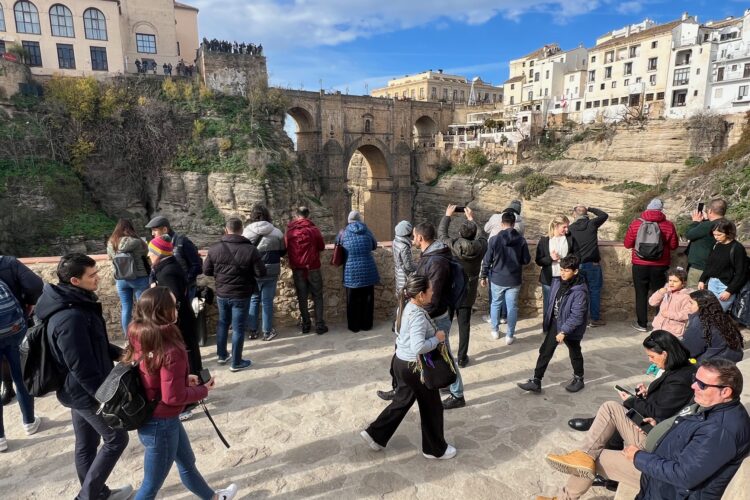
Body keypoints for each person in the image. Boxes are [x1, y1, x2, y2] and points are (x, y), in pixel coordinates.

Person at [538, 330, 696, 500]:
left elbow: (658, 412)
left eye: (652, 356)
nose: (650, 360)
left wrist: (632, 400)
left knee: (609, 415)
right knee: (608, 415)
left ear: (664, 353)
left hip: (653, 439)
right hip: (656, 432)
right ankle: (582, 458)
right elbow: (664, 405)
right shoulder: (680, 370)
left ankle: (579, 465)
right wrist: (645, 395)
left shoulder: (680, 379)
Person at [124, 287, 238, 500]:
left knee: (187, 463)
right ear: (162, 311)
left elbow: (151, 373)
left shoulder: (140, 334)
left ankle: (213, 498)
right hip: (161, 424)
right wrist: (203, 390)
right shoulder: (169, 347)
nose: (177, 309)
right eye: (174, 305)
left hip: (158, 416)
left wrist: (183, 379)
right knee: (149, 487)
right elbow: (172, 397)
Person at [36, 253, 131, 500]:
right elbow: (81, 366)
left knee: (87, 444)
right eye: (92, 275)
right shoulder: (70, 317)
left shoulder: (79, 303)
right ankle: (87, 497)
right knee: (116, 438)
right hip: (84, 393)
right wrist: (103, 398)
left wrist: (118, 353)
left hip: (78, 391)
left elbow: (93, 344)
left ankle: (97, 494)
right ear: (75, 281)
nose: (98, 278)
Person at [359, 275, 456, 460]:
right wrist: (437, 339)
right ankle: (434, 449)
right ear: (420, 295)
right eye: (430, 289)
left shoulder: (406, 306)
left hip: (401, 363)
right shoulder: (417, 315)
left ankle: (375, 434)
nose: (433, 291)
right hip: (414, 367)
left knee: (402, 401)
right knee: (432, 407)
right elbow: (418, 347)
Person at [628, 359, 750, 499]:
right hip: (660, 485)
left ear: (725, 392)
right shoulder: (712, 409)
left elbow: (684, 476)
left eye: (702, 384)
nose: (693, 386)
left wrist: (638, 457)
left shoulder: (720, 430)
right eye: (694, 379)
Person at [413, 222, 465, 410]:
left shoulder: (436, 261)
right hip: (433, 313)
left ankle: (457, 394)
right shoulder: (431, 255)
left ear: (420, 237)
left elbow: (433, 295)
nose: (413, 239)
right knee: (438, 352)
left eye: (414, 236)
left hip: (435, 315)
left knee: (444, 353)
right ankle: (447, 382)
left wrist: (420, 313)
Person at [518, 255, 588, 394]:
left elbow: (577, 315)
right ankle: (536, 381)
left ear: (575, 271)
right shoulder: (557, 281)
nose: (562, 273)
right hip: (557, 322)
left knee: (574, 352)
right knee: (545, 351)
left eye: (566, 270)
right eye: (561, 269)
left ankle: (579, 378)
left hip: (570, 327)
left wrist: (564, 331)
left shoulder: (580, 291)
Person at [204, 218, 266, 372]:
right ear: (241, 230)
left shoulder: (214, 249)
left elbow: (206, 271)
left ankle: (222, 355)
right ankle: (236, 362)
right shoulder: (250, 250)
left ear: (226, 230)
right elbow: (261, 273)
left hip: (222, 293)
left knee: (223, 323)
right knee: (238, 328)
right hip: (241, 294)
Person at [0, 254, 44, 452]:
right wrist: (28, 304)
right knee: (21, 374)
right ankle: (29, 421)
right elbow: (36, 285)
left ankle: (0, 438)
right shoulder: (7, 263)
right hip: (14, 327)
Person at [439, 205, 487, 367]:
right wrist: (471, 218)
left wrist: (447, 216)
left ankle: (444, 355)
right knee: (464, 326)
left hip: (452, 290)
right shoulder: (481, 247)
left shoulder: (453, 245)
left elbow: (441, 235)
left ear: (459, 234)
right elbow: (483, 236)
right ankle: (462, 358)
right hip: (468, 293)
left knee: (444, 325)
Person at [148, 236, 202, 377]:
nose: (148, 255)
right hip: (183, 316)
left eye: (151, 252)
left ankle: (194, 383)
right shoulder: (167, 267)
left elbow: (174, 298)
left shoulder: (167, 272)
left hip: (179, 319)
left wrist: (157, 292)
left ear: (159, 254)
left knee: (186, 351)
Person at [623, 198, 679, 332]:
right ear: (661, 210)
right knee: (661, 293)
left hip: (639, 264)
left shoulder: (636, 223)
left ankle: (642, 324)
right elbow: (673, 246)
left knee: (641, 294)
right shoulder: (668, 225)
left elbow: (627, 244)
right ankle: (659, 323)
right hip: (660, 265)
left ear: (647, 209)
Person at [376, 220, 416, 402]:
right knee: (405, 314)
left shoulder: (396, 242)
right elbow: (408, 266)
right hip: (405, 284)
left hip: (399, 282)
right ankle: (400, 331)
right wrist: (419, 270)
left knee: (401, 311)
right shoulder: (404, 247)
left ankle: (398, 328)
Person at [480, 212, 530, 345]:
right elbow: (526, 260)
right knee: (512, 307)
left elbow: (487, 260)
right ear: (514, 224)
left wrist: (483, 275)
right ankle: (509, 335)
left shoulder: (494, 239)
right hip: (514, 279)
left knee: (495, 304)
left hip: (497, 278)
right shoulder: (521, 240)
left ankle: (495, 330)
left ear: (502, 224)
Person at [242, 205, 286, 341]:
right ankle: (267, 332)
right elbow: (283, 251)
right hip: (272, 270)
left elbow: (243, 252)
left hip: (254, 272)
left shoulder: (246, 232)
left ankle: (253, 331)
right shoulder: (277, 232)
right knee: (267, 302)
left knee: (254, 300)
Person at [285, 207, 327, 334]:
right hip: (313, 267)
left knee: (302, 297)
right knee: (318, 296)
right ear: (308, 215)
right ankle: (319, 325)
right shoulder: (314, 230)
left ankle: (306, 325)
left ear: (296, 216)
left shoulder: (290, 232)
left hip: (298, 269)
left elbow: (286, 247)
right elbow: (322, 246)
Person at [483, 200, 525, 325]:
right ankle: (504, 317)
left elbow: (486, 229)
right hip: (513, 267)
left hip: (496, 262)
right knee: (510, 299)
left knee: (494, 294)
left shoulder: (496, 218)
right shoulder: (521, 223)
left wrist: (483, 274)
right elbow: (519, 240)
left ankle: (493, 318)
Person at [107, 218, 150, 336]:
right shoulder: (137, 241)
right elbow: (145, 253)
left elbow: (110, 258)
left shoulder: (111, 242)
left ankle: (129, 337)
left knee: (126, 308)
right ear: (130, 228)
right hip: (139, 277)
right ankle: (144, 336)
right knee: (142, 308)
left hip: (121, 279)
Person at [145, 216, 202, 302]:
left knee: (183, 313)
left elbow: (196, 265)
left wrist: (185, 281)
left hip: (185, 288)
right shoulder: (156, 245)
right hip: (164, 289)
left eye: (155, 230)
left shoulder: (183, 242)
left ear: (164, 229)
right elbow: (154, 265)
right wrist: (152, 280)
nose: (152, 233)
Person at [568, 205, 608, 327]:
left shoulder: (570, 229)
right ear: (587, 215)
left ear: (574, 214)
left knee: (577, 292)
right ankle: (594, 320)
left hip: (577, 266)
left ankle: (577, 319)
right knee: (594, 292)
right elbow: (604, 215)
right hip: (593, 265)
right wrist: (590, 208)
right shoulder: (592, 224)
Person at [339, 211, 379, 332]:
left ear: (349, 220)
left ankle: (354, 326)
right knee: (367, 298)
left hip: (351, 272)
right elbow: (374, 245)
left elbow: (338, 246)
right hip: (368, 270)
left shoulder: (343, 233)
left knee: (352, 300)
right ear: (359, 219)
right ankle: (367, 325)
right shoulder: (367, 231)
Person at [698, 219, 747, 312]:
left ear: (728, 233)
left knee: (717, 314)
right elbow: (709, 264)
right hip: (712, 283)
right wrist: (702, 280)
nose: (716, 237)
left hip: (725, 286)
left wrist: (729, 290)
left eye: (719, 234)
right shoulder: (716, 245)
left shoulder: (737, 248)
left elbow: (741, 273)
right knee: (707, 313)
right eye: (714, 234)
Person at [682, 289, 744, 362]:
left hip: (710, 365)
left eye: (691, 303)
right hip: (728, 362)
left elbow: (688, 351)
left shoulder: (700, 323)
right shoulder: (723, 317)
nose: (688, 306)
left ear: (701, 305)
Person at [536, 215, 576, 323]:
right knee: (548, 305)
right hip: (549, 278)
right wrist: (550, 258)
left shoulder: (570, 239)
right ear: (556, 226)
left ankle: (561, 328)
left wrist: (564, 260)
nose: (567, 230)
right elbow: (538, 260)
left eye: (567, 227)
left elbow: (577, 257)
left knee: (563, 303)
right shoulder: (544, 240)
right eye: (564, 227)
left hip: (565, 278)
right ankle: (547, 328)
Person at [685, 198, 727, 287]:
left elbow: (689, 234)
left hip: (700, 267)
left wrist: (695, 222)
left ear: (710, 211)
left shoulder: (707, 225)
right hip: (719, 267)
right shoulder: (727, 224)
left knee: (694, 294)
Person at [647, 267, 693, 338]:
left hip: (673, 331)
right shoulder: (666, 291)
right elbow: (652, 302)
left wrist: (669, 314)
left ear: (683, 283)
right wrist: (660, 293)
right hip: (658, 327)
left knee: (668, 349)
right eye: (670, 280)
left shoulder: (686, 296)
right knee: (654, 348)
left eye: (675, 281)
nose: (671, 283)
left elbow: (686, 314)